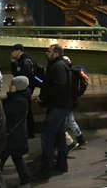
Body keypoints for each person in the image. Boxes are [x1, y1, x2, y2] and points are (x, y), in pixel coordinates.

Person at [31, 45, 73, 181]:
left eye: (49, 51)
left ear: (56, 53)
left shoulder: (58, 66)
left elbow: (59, 84)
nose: (46, 53)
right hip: (61, 105)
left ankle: (46, 170)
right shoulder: (60, 64)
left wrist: (43, 97)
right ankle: (62, 164)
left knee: (47, 137)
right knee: (59, 135)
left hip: (58, 106)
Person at [0, 76, 31, 188]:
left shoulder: (17, 101)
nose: (10, 86)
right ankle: (25, 181)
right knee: (17, 158)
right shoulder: (18, 98)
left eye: (12, 85)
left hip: (12, 136)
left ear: (18, 87)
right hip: (17, 135)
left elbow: (3, 112)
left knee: (0, 159)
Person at [9, 45, 37, 138]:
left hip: (24, 89)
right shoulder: (21, 61)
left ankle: (29, 132)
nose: (12, 53)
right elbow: (16, 73)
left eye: (13, 51)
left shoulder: (25, 62)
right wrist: (13, 64)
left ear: (19, 51)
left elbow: (23, 77)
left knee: (26, 110)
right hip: (24, 89)